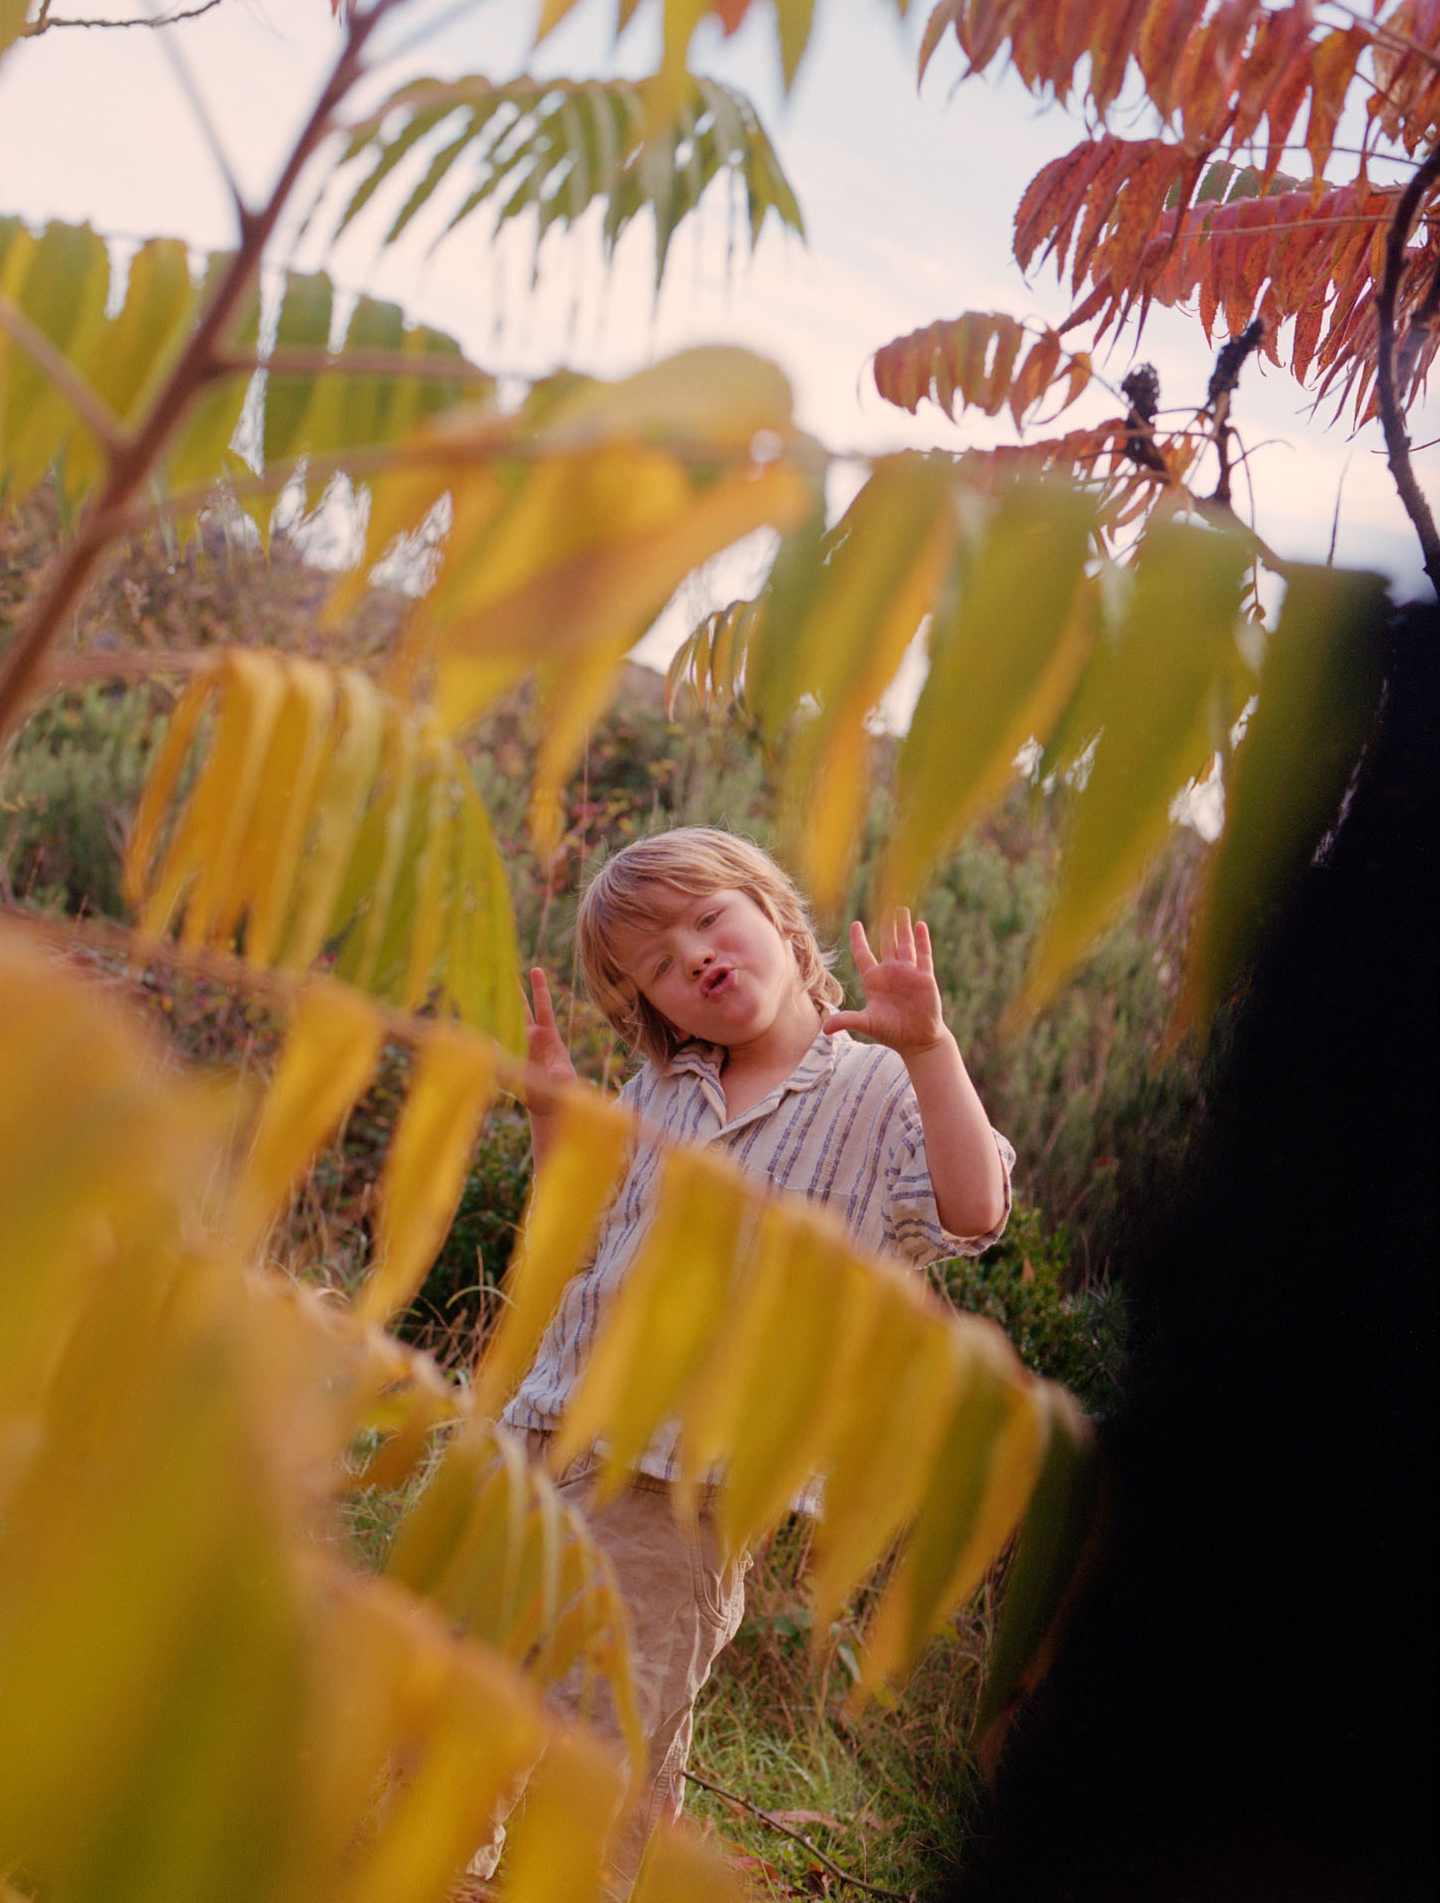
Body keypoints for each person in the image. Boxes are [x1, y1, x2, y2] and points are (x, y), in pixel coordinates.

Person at [476, 826, 1014, 1886]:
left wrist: (930, 1046)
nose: (696, 958)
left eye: (709, 919)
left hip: (685, 1481)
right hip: (546, 1429)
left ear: (775, 912)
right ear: (656, 1011)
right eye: (659, 965)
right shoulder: (663, 1091)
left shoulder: (876, 1086)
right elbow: (575, 1238)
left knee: (601, 1733)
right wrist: (551, 1120)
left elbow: (973, 1207)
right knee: (471, 1679)